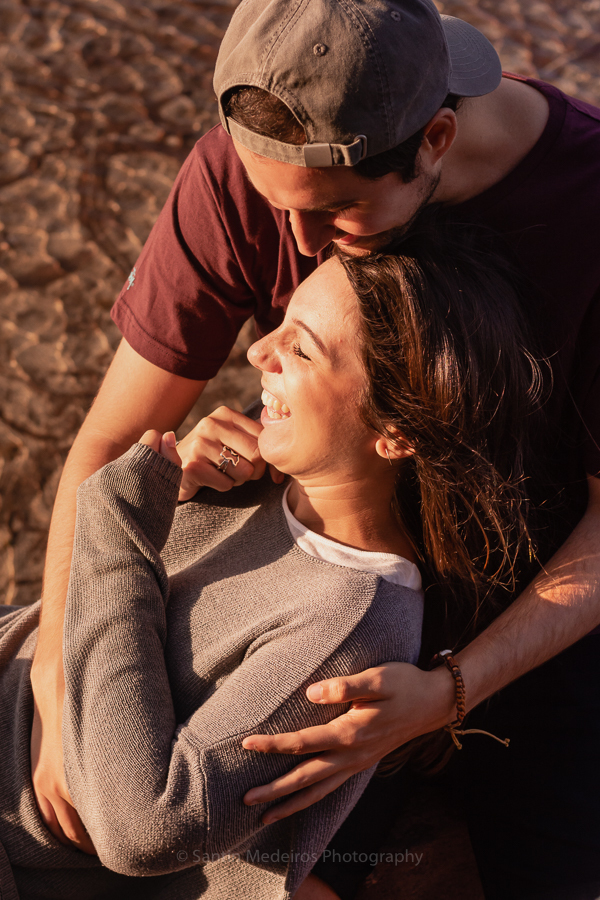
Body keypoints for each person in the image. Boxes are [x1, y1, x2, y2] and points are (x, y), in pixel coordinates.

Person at [29, 1, 600, 897]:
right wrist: (56, 693)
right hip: (306, 605)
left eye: (337, 209)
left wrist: (449, 691)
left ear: (436, 139)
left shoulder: (588, 201)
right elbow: (108, 437)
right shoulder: (246, 174)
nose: (295, 243)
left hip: (532, 618)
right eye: (272, 203)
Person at [1, 238, 536, 899]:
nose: (259, 352)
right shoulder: (265, 462)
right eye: (281, 322)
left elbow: (148, 825)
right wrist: (176, 489)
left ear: (396, 432)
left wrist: (119, 522)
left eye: (301, 350)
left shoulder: (352, 626)